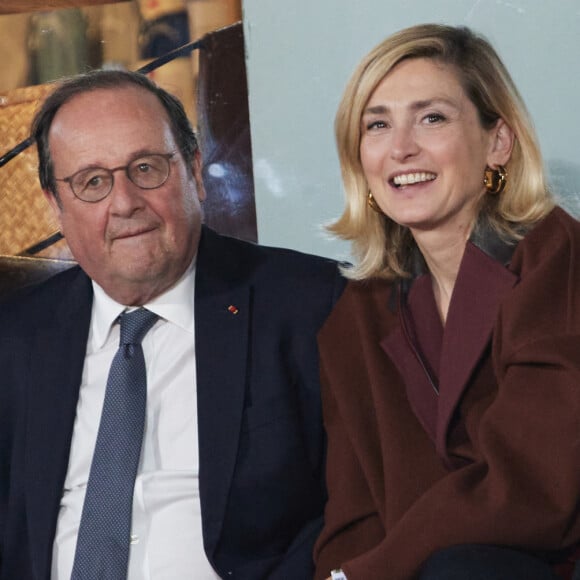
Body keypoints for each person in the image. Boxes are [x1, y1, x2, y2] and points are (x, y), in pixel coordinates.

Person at [0, 69, 345, 580]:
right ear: (55, 205)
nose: (124, 202)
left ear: (195, 172)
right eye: (92, 182)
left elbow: (361, 510)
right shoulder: (16, 337)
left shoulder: (308, 305)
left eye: (146, 167)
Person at [313, 23, 580, 580]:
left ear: (497, 142)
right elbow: (352, 516)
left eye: (431, 117)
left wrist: (369, 573)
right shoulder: (357, 312)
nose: (401, 147)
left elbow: (534, 484)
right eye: (377, 124)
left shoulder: (555, 258)